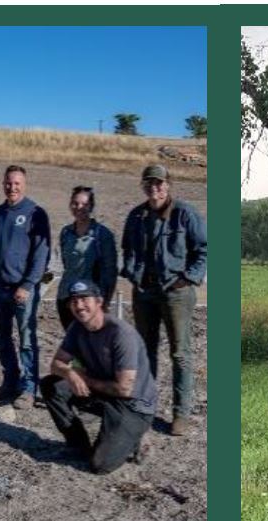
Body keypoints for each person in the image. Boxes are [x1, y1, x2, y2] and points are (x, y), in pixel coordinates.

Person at [120, 164, 207, 435]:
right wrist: (134, 276)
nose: (154, 188)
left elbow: (203, 249)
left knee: (180, 353)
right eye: (149, 184)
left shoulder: (185, 214)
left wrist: (188, 278)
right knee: (146, 352)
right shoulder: (136, 216)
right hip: (144, 293)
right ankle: (145, 408)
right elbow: (128, 249)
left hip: (177, 293)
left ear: (168, 184)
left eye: (159, 183)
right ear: (143, 186)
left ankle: (181, 414)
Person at [39, 278, 156, 474]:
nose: (79, 305)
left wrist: (83, 379)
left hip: (133, 405)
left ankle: (137, 434)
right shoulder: (76, 328)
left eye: (85, 299)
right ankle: (78, 445)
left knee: (100, 466)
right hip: (103, 391)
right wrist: (70, 373)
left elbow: (124, 388)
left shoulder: (120, 334)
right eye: (74, 301)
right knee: (51, 386)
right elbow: (56, 364)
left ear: (99, 302)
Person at [0, 165, 52, 411]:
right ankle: (10, 381)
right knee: (1, 338)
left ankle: (29, 388)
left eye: (17, 183)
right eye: (8, 182)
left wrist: (27, 284)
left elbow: (41, 254)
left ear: (25, 184)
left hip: (23, 290)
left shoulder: (36, 213)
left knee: (26, 339)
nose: (12, 187)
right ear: (3, 183)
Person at [55, 186, 117, 331]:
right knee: (72, 344)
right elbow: (67, 264)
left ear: (91, 206)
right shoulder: (66, 232)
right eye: (75, 203)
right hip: (66, 297)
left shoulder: (102, 235)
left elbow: (110, 271)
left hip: (90, 300)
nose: (79, 207)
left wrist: (104, 300)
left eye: (84, 204)